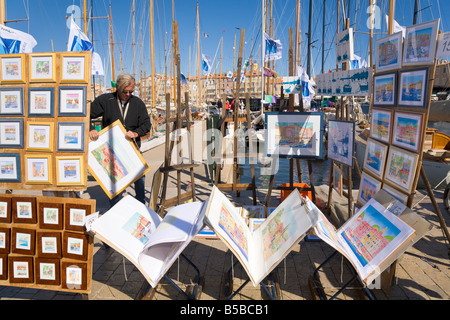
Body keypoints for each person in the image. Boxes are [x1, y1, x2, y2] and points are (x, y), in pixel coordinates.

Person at [89, 73, 151, 207]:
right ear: (117, 87)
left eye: (131, 91)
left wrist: (136, 133)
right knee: (114, 182)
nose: (128, 94)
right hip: (110, 150)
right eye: (125, 91)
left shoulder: (138, 103)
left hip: (133, 149)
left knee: (139, 178)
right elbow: (85, 114)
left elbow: (146, 124)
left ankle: (140, 205)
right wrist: (91, 129)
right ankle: (115, 208)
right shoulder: (105, 100)